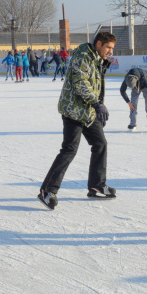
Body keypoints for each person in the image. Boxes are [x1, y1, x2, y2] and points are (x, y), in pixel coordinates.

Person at [38, 32, 116, 210]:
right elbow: (80, 83)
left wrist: (97, 106)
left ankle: (96, 185)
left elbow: (96, 84)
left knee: (100, 143)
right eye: (108, 47)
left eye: (112, 48)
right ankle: (47, 191)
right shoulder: (83, 57)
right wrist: (97, 104)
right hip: (74, 111)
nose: (110, 51)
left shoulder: (95, 58)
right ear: (98, 44)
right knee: (69, 150)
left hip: (88, 111)